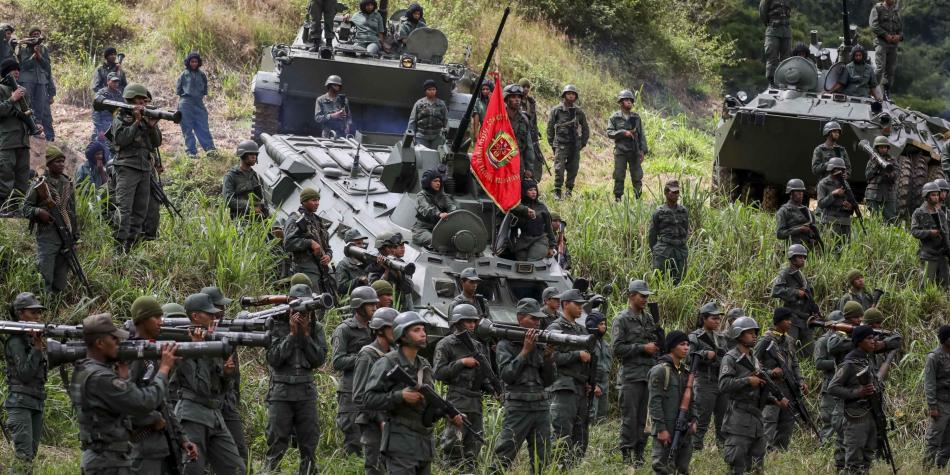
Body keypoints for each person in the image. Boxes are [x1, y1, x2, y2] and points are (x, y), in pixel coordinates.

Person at [69, 313, 178, 474]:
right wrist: (163, 369)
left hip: (104, 460)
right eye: (114, 339)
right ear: (99, 343)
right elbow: (144, 402)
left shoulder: (86, 370)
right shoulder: (101, 378)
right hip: (107, 464)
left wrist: (124, 380)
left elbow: (116, 407)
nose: (118, 343)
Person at [363, 311, 465, 474]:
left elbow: (427, 407)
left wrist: (447, 413)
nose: (423, 334)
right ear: (402, 335)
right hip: (400, 444)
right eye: (416, 330)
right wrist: (400, 396)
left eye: (423, 329)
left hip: (424, 445)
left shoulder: (424, 365)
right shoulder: (388, 363)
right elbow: (368, 399)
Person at [174, 293, 246, 475]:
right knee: (193, 470)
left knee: (236, 468)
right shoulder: (183, 345)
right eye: (210, 314)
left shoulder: (209, 339)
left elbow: (217, 386)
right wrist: (198, 349)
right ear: (196, 316)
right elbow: (201, 386)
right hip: (192, 415)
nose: (215, 318)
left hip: (214, 414)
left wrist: (227, 374)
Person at [127, 296, 198, 474]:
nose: (161, 322)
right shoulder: (132, 355)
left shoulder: (151, 352)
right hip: (141, 449)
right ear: (142, 320)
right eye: (156, 317)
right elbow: (125, 402)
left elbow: (163, 401)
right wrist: (153, 419)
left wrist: (182, 438)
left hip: (160, 446)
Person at [264, 283, 328, 474]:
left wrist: (306, 335)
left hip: (306, 393)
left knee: (309, 443)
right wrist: (292, 335)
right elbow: (273, 358)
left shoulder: (316, 328)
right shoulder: (275, 324)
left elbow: (318, 360)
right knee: (276, 442)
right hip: (281, 393)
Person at [490, 298, 557, 474]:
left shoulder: (541, 344)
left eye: (538, 319)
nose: (537, 322)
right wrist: (525, 351)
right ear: (520, 318)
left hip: (541, 407)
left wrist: (549, 359)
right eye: (532, 318)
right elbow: (507, 375)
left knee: (542, 458)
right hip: (518, 408)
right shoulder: (505, 344)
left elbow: (549, 381)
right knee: (504, 454)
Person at [719, 316, 790, 475]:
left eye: (755, 332)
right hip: (738, 420)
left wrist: (774, 401)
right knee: (737, 467)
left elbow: (758, 392)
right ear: (739, 335)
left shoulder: (755, 360)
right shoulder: (730, 358)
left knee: (757, 468)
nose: (754, 336)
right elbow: (723, 385)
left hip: (757, 422)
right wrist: (747, 380)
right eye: (749, 333)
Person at [433, 303, 493, 472]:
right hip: (457, 399)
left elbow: (483, 375)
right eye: (468, 322)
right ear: (457, 322)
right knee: (453, 446)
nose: (472, 325)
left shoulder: (478, 346)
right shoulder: (445, 344)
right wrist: (461, 362)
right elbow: (438, 373)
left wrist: (492, 388)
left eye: (474, 322)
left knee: (474, 446)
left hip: (475, 401)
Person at [547, 288, 598, 467]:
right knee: (562, 433)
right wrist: (577, 355)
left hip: (581, 387)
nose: (580, 309)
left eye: (582, 305)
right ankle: (559, 468)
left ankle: (573, 468)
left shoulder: (582, 329)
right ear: (565, 304)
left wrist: (590, 381)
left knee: (581, 434)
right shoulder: (555, 328)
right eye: (577, 305)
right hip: (564, 386)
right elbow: (552, 357)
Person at [612, 279, 659, 466]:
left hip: (648, 375)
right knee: (630, 418)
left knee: (645, 419)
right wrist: (642, 348)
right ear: (631, 296)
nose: (645, 299)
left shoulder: (649, 319)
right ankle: (626, 455)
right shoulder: (621, 319)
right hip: (631, 376)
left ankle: (639, 454)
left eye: (647, 296)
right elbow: (616, 349)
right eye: (642, 296)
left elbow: (656, 344)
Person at [109, 82, 160, 252]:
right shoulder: (121, 118)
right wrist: (136, 122)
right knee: (124, 210)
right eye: (140, 101)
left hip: (144, 168)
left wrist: (151, 126)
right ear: (131, 100)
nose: (143, 104)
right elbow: (122, 140)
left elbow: (156, 142)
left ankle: (131, 247)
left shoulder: (147, 119)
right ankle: (118, 248)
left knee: (139, 212)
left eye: (145, 101)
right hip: (127, 167)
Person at [21, 146, 78, 293]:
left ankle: (55, 307)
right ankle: (41, 307)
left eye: (62, 161)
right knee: (44, 275)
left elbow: (72, 212)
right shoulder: (40, 184)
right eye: (57, 161)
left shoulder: (67, 184)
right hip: (48, 236)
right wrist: (39, 211)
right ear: (49, 164)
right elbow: (25, 208)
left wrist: (75, 236)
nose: (61, 164)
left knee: (61, 278)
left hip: (66, 234)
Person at [3, 292, 48, 473]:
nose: (37, 316)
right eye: (33, 312)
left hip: (35, 402)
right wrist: (37, 348)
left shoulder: (32, 340)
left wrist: (39, 345)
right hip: (21, 403)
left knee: (30, 456)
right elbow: (24, 373)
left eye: (39, 312)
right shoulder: (15, 342)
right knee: (23, 458)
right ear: (21, 314)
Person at [827, 325, 881, 474]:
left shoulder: (866, 361)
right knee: (854, 461)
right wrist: (858, 392)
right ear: (859, 342)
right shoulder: (849, 364)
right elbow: (832, 388)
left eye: (874, 338)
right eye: (869, 338)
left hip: (870, 415)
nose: (873, 341)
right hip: (855, 417)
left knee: (867, 458)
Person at [332, 286, 378, 456]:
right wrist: (364, 357)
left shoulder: (375, 328)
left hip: (372, 388)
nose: (374, 307)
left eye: (375, 304)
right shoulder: (344, 329)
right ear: (359, 306)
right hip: (350, 391)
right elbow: (337, 361)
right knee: (354, 440)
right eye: (370, 304)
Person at [353, 307, 398, 475]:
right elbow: (359, 396)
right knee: (375, 468)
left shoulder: (394, 355)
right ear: (380, 330)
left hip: (392, 421)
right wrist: (380, 419)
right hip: (372, 423)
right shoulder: (367, 355)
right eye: (393, 327)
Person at [754, 307, 805, 452]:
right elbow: (754, 364)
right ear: (778, 322)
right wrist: (770, 373)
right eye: (787, 320)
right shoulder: (766, 340)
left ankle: (779, 454)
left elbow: (794, 363)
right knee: (769, 422)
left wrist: (800, 380)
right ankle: (761, 454)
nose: (790, 322)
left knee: (787, 424)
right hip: (772, 389)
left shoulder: (789, 340)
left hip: (789, 389)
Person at [648, 330, 696, 474]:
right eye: (682, 344)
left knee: (682, 467)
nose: (686, 348)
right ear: (672, 346)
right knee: (662, 467)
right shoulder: (660, 371)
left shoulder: (684, 372)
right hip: (666, 427)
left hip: (683, 427)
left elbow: (691, 400)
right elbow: (654, 402)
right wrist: (661, 429)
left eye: (688, 344)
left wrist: (694, 420)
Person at [688, 301, 729, 451]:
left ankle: (723, 447)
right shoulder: (695, 337)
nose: (717, 321)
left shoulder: (721, 337)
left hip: (720, 381)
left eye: (718, 318)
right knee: (701, 418)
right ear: (704, 319)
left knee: (723, 419)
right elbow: (687, 357)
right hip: (705, 380)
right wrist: (705, 354)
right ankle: (695, 446)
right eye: (714, 318)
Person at [0, 58, 39, 214]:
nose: (16, 71)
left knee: (21, 179)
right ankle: (2, 210)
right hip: (6, 142)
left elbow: (28, 113)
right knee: (4, 177)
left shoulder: (23, 91)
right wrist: (12, 99)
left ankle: (15, 209)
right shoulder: (1, 89)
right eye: (12, 69)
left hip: (23, 142)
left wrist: (36, 125)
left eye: (18, 69)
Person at [283, 187, 335, 294]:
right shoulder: (295, 219)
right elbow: (288, 243)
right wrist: (310, 243)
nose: (317, 203)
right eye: (314, 200)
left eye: (318, 200)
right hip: (305, 269)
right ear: (304, 202)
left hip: (321, 269)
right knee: (312, 300)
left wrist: (328, 255)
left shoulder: (317, 220)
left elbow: (326, 246)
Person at [770, 243, 817, 358]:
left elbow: (809, 298)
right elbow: (775, 291)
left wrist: (815, 312)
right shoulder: (785, 273)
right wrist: (795, 292)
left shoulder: (802, 276)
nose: (803, 260)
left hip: (805, 317)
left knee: (810, 351)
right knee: (788, 348)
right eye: (800, 257)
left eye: (804, 257)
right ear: (792, 258)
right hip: (792, 318)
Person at [547, 85, 589, 199]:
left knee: (573, 169)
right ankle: (557, 191)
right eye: (569, 93)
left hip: (574, 145)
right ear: (564, 95)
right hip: (560, 143)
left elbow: (585, 128)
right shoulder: (557, 110)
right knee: (559, 169)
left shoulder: (579, 112)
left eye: (573, 94)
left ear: (575, 97)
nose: (571, 95)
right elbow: (550, 127)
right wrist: (552, 143)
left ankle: (569, 191)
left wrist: (582, 143)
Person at [607, 89, 649, 201]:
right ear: (620, 102)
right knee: (619, 175)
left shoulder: (636, 117)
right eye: (626, 100)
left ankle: (638, 198)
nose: (629, 102)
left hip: (634, 151)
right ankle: (618, 198)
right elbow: (609, 133)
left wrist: (642, 151)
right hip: (620, 151)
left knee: (637, 176)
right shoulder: (614, 117)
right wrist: (623, 133)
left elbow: (641, 135)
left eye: (630, 100)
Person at [813, 308, 845, 445]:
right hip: (830, 387)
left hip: (843, 386)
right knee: (829, 422)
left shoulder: (843, 339)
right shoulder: (823, 341)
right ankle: (823, 447)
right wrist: (838, 364)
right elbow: (818, 363)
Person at [16, 27, 54, 141]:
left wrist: (39, 55)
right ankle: (29, 131)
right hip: (27, 80)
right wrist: (34, 55)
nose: (36, 35)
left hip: (41, 81)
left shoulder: (43, 49)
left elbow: (47, 67)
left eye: (38, 33)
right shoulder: (23, 49)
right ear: (30, 36)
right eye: (34, 34)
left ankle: (42, 133)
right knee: (27, 105)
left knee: (41, 107)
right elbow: (23, 66)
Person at [649, 180, 690, 284]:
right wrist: (655, 250)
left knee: (679, 280)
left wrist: (683, 242)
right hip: (664, 250)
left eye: (677, 192)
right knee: (660, 280)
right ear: (666, 193)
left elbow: (686, 229)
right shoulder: (659, 212)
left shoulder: (683, 211)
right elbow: (652, 234)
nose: (676, 195)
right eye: (673, 192)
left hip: (680, 250)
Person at [911, 181, 950, 289]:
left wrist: (948, 251)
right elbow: (914, 231)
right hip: (928, 255)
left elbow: (946, 234)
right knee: (925, 286)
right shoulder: (919, 213)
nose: (936, 197)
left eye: (937, 195)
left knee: (945, 287)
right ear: (926, 196)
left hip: (942, 254)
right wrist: (930, 233)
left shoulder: (941, 213)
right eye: (933, 195)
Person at [176, 52, 216, 157]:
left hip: (198, 102)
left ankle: (210, 149)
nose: (194, 63)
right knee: (187, 128)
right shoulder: (183, 74)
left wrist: (198, 98)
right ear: (188, 62)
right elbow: (178, 90)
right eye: (192, 61)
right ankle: (191, 152)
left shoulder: (202, 75)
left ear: (199, 63)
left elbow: (204, 89)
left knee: (203, 126)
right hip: (185, 103)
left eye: (196, 61)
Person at [923, 325, 950, 469]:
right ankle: (925, 469)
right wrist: (932, 406)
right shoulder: (934, 357)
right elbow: (929, 383)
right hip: (940, 403)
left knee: (948, 442)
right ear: (945, 339)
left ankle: (941, 468)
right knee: (934, 439)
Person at [509, 178, 556, 261]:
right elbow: (513, 228)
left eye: (535, 189)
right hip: (523, 240)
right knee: (520, 261)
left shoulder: (542, 207)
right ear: (524, 191)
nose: (534, 192)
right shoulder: (519, 208)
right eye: (530, 190)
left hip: (540, 239)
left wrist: (552, 246)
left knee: (531, 261)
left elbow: (549, 228)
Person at [222, 140, 269, 219]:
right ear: (243, 155)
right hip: (240, 219)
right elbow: (228, 200)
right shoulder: (231, 176)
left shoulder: (257, 176)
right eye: (251, 154)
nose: (254, 157)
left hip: (258, 218)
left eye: (255, 154)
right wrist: (250, 207)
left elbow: (263, 199)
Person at [411, 168, 456, 246]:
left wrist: (452, 211)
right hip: (422, 230)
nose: (438, 183)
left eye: (439, 181)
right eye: (435, 181)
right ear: (428, 182)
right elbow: (426, 209)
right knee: (435, 241)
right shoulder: (421, 196)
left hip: (439, 228)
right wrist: (439, 214)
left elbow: (451, 205)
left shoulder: (442, 196)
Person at [503, 84, 539, 181]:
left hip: (518, 161)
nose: (517, 99)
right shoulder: (499, 117)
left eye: (519, 97)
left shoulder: (524, 119)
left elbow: (529, 146)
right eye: (513, 97)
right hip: (500, 160)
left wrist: (529, 167)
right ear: (506, 99)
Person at [816, 157, 854, 242]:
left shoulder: (845, 183)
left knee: (846, 248)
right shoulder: (823, 184)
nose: (840, 171)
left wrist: (850, 207)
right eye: (837, 168)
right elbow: (821, 204)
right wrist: (833, 194)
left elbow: (852, 202)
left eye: (841, 169)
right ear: (831, 169)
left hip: (845, 222)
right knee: (831, 248)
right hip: (830, 221)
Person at [869, 0, 902, 96]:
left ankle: (887, 92)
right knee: (880, 67)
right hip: (881, 42)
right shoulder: (877, 8)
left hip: (893, 44)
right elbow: (874, 25)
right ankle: (872, 89)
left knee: (890, 70)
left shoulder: (896, 11)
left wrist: (899, 37)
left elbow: (900, 29)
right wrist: (885, 35)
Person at [775, 178, 821, 247]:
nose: (800, 193)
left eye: (802, 191)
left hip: (807, 249)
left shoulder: (807, 210)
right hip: (793, 249)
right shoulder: (784, 210)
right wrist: (800, 229)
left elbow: (814, 230)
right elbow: (780, 234)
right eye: (797, 191)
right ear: (791, 193)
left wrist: (814, 240)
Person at [864, 135, 898, 221]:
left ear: (887, 148)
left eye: (885, 147)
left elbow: (896, 174)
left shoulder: (892, 160)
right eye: (881, 147)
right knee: (874, 219)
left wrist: (887, 174)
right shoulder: (872, 161)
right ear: (877, 148)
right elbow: (867, 175)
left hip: (888, 194)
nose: (883, 149)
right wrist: (875, 165)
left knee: (891, 219)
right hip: (873, 194)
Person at [586, 311, 611, 423]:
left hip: (604, 383)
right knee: (591, 415)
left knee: (602, 417)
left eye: (604, 324)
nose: (604, 326)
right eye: (601, 324)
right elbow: (586, 366)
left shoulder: (605, 344)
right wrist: (594, 385)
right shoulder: (587, 343)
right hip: (593, 384)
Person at [91, 72, 124, 163]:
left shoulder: (119, 94)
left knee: (113, 150)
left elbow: (122, 109)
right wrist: (99, 129)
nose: (116, 84)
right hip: (103, 123)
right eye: (113, 82)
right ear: (108, 82)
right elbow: (95, 112)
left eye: (117, 82)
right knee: (99, 149)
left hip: (114, 124)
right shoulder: (101, 93)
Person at [407, 79, 447, 148]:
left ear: (436, 90)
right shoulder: (419, 103)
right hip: (421, 136)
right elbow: (412, 120)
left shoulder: (441, 104)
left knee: (436, 156)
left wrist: (447, 134)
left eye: (433, 89)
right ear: (425, 91)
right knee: (421, 156)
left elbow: (446, 120)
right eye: (429, 89)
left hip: (437, 136)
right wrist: (411, 134)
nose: (432, 91)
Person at [759, 0, 792, 85]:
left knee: (787, 58)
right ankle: (772, 81)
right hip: (773, 31)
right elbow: (762, 13)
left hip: (786, 31)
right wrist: (770, 24)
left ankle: (786, 80)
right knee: (772, 56)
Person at [519, 78, 544, 175]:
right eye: (523, 87)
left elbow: (534, 120)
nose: (525, 89)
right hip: (520, 131)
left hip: (531, 131)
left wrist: (536, 135)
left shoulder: (531, 102)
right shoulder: (516, 99)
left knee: (532, 155)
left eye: (527, 87)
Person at [336, 228, 371, 294]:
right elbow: (341, 287)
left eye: (362, 243)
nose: (362, 246)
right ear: (350, 246)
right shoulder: (343, 265)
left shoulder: (367, 261)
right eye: (358, 243)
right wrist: (358, 280)